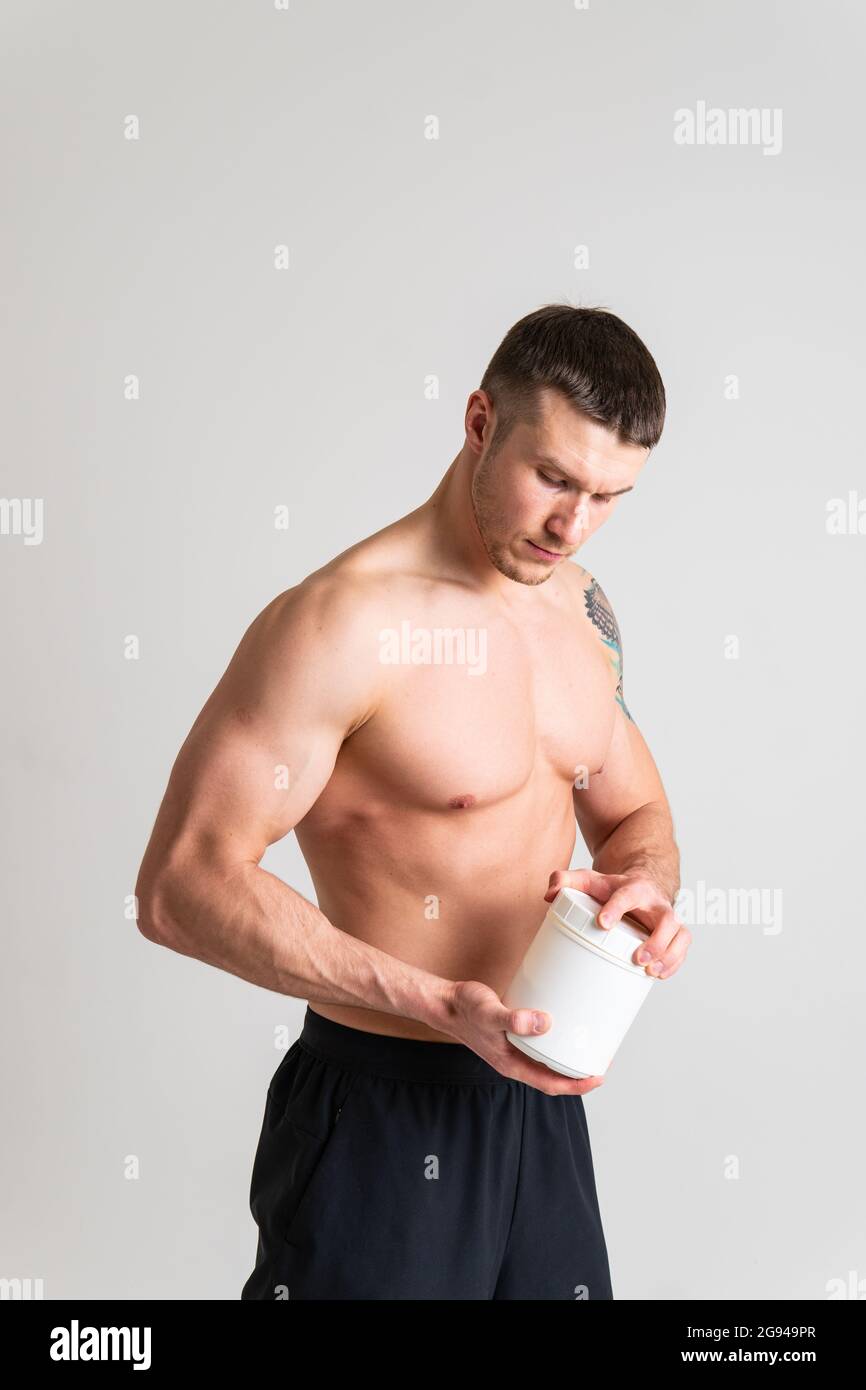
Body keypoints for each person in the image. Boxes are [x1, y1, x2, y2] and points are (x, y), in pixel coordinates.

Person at [134, 303, 690, 1300]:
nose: (573, 523)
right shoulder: (339, 624)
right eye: (553, 478)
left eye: (608, 495)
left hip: (540, 1111)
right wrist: (432, 1001)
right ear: (479, 422)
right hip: (379, 1115)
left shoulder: (579, 608)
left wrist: (640, 892)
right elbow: (181, 887)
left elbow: (633, 814)